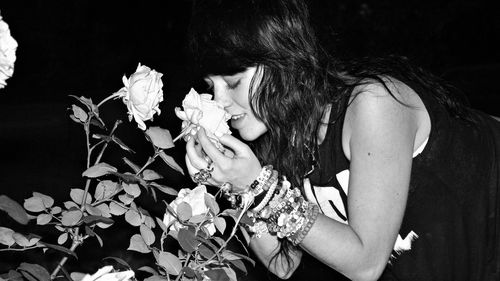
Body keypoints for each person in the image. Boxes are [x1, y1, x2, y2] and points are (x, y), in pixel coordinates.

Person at [183, 0, 500, 280]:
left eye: (233, 82)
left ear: (283, 61)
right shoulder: (281, 137)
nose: (218, 99)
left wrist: (260, 188)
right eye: (212, 86)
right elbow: (284, 264)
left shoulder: (373, 105)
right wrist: (237, 187)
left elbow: (366, 265)